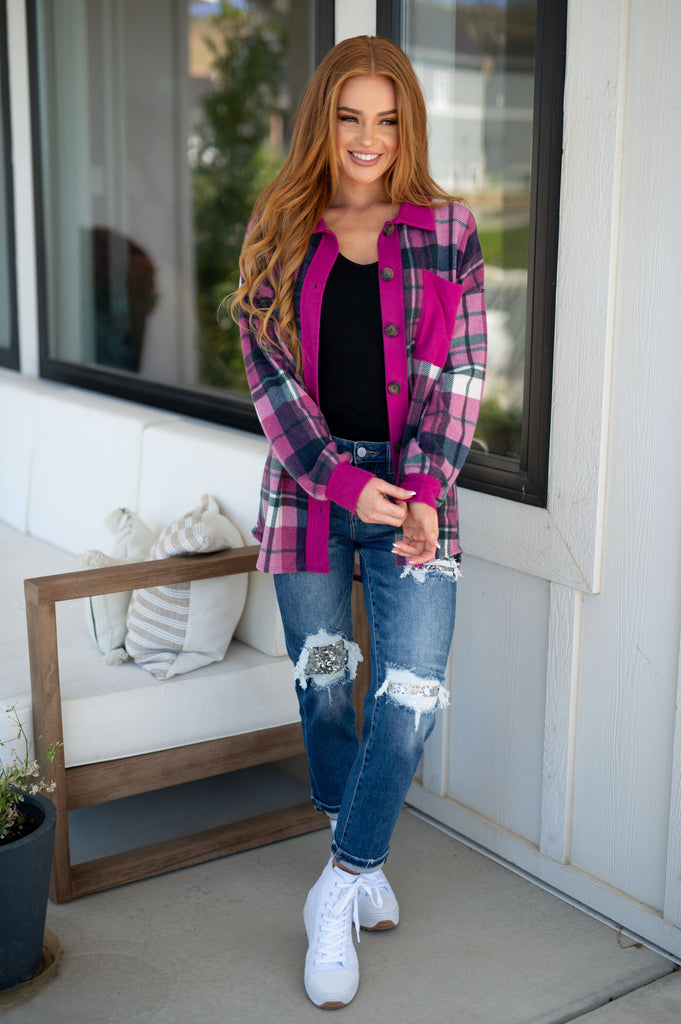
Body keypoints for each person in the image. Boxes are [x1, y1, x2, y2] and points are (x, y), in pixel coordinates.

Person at [232, 35, 486, 1011]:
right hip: (308, 497)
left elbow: (461, 374)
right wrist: (343, 482)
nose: (367, 137)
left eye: (386, 118)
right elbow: (270, 381)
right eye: (349, 117)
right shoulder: (279, 229)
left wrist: (418, 492)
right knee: (328, 685)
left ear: (406, 125)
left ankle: (338, 884)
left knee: (410, 693)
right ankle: (362, 858)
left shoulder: (447, 232)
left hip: (416, 498)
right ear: (323, 124)